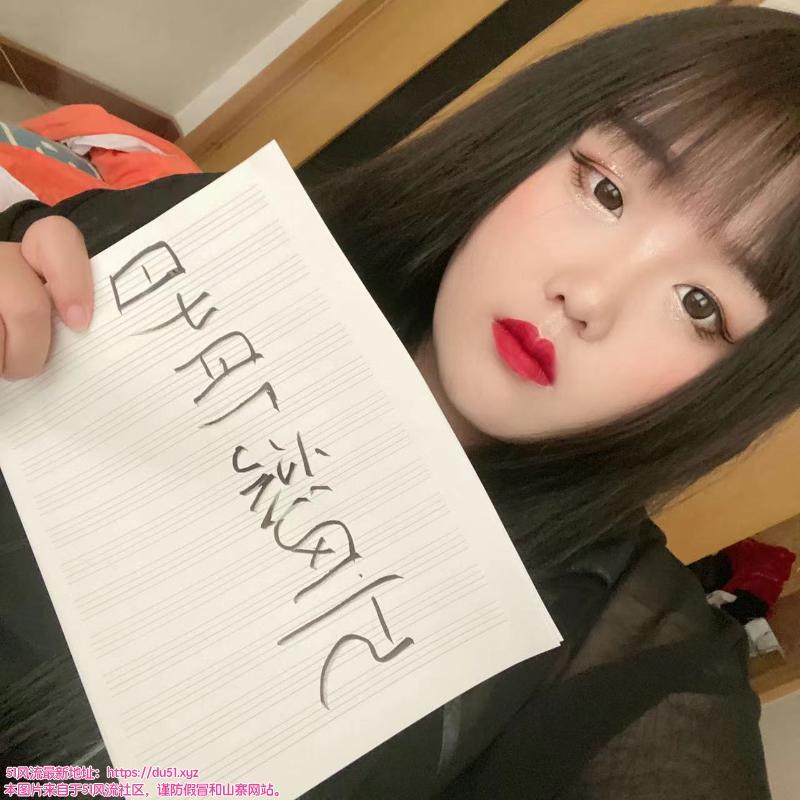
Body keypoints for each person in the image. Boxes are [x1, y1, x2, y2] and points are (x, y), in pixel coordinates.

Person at [1, 4, 798, 797]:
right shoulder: (199, 246)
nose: (588, 295)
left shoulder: (630, 656)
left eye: (700, 304)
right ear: (532, 136)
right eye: (608, 192)